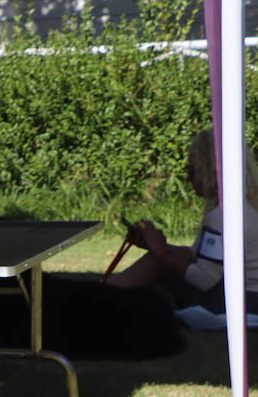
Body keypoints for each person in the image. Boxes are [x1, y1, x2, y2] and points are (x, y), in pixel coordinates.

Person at [106, 128, 258, 317]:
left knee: (157, 262)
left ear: (209, 171)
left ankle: (97, 300)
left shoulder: (223, 215)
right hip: (246, 298)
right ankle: (101, 298)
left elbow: (204, 279)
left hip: (239, 305)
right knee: (161, 259)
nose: (187, 178)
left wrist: (161, 252)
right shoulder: (241, 206)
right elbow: (198, 259)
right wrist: (154, 245)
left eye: (192, 171)